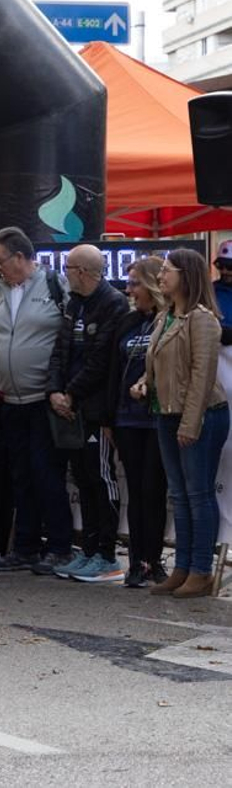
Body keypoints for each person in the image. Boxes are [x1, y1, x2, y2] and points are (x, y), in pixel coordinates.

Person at [0, 227, 72, 576]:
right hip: (10, 399)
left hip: (45, 399)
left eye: (0, 260)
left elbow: (70, 341)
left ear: (20, 256)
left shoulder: (57, 287)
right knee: (21, 476)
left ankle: (59, 546)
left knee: (47, 475)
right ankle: (26, 547)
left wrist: (64, 389)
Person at [137, 248, 229, 599]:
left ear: (186, 276)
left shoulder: (202, 319)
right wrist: (145, 383)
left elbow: (202, 376)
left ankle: (201, 570)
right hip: (167, 413)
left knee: (198, 493)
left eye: (167, 270)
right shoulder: (165, 317)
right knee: (180, 494)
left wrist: (190, 425)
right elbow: (162, 366)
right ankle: (183, 567)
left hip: (201, 415)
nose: (161, 276)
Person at [47, 245, 129, 583]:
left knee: (101, 479)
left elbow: (101, 360)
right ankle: (90, 549)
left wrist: (71, 393)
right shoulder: (73, 303)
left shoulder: (113, 304)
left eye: (68, 267)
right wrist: (54, 389)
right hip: (71, 410)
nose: (65, 273)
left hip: (95, 409)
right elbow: (59, 349)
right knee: (82, 478)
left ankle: (107, 555)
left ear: (83, 270)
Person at [103, 256, 169, 588]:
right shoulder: (127, 323)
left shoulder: (170, 320)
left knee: (153, 490)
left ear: (154, 284)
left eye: (134, 284)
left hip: (158, 419)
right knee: (136, 491)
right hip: (127, 420)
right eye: (127, 284)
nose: (129, 291)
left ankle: (153, 560)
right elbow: (113, 371)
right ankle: (136, 562)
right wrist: (109, 418)